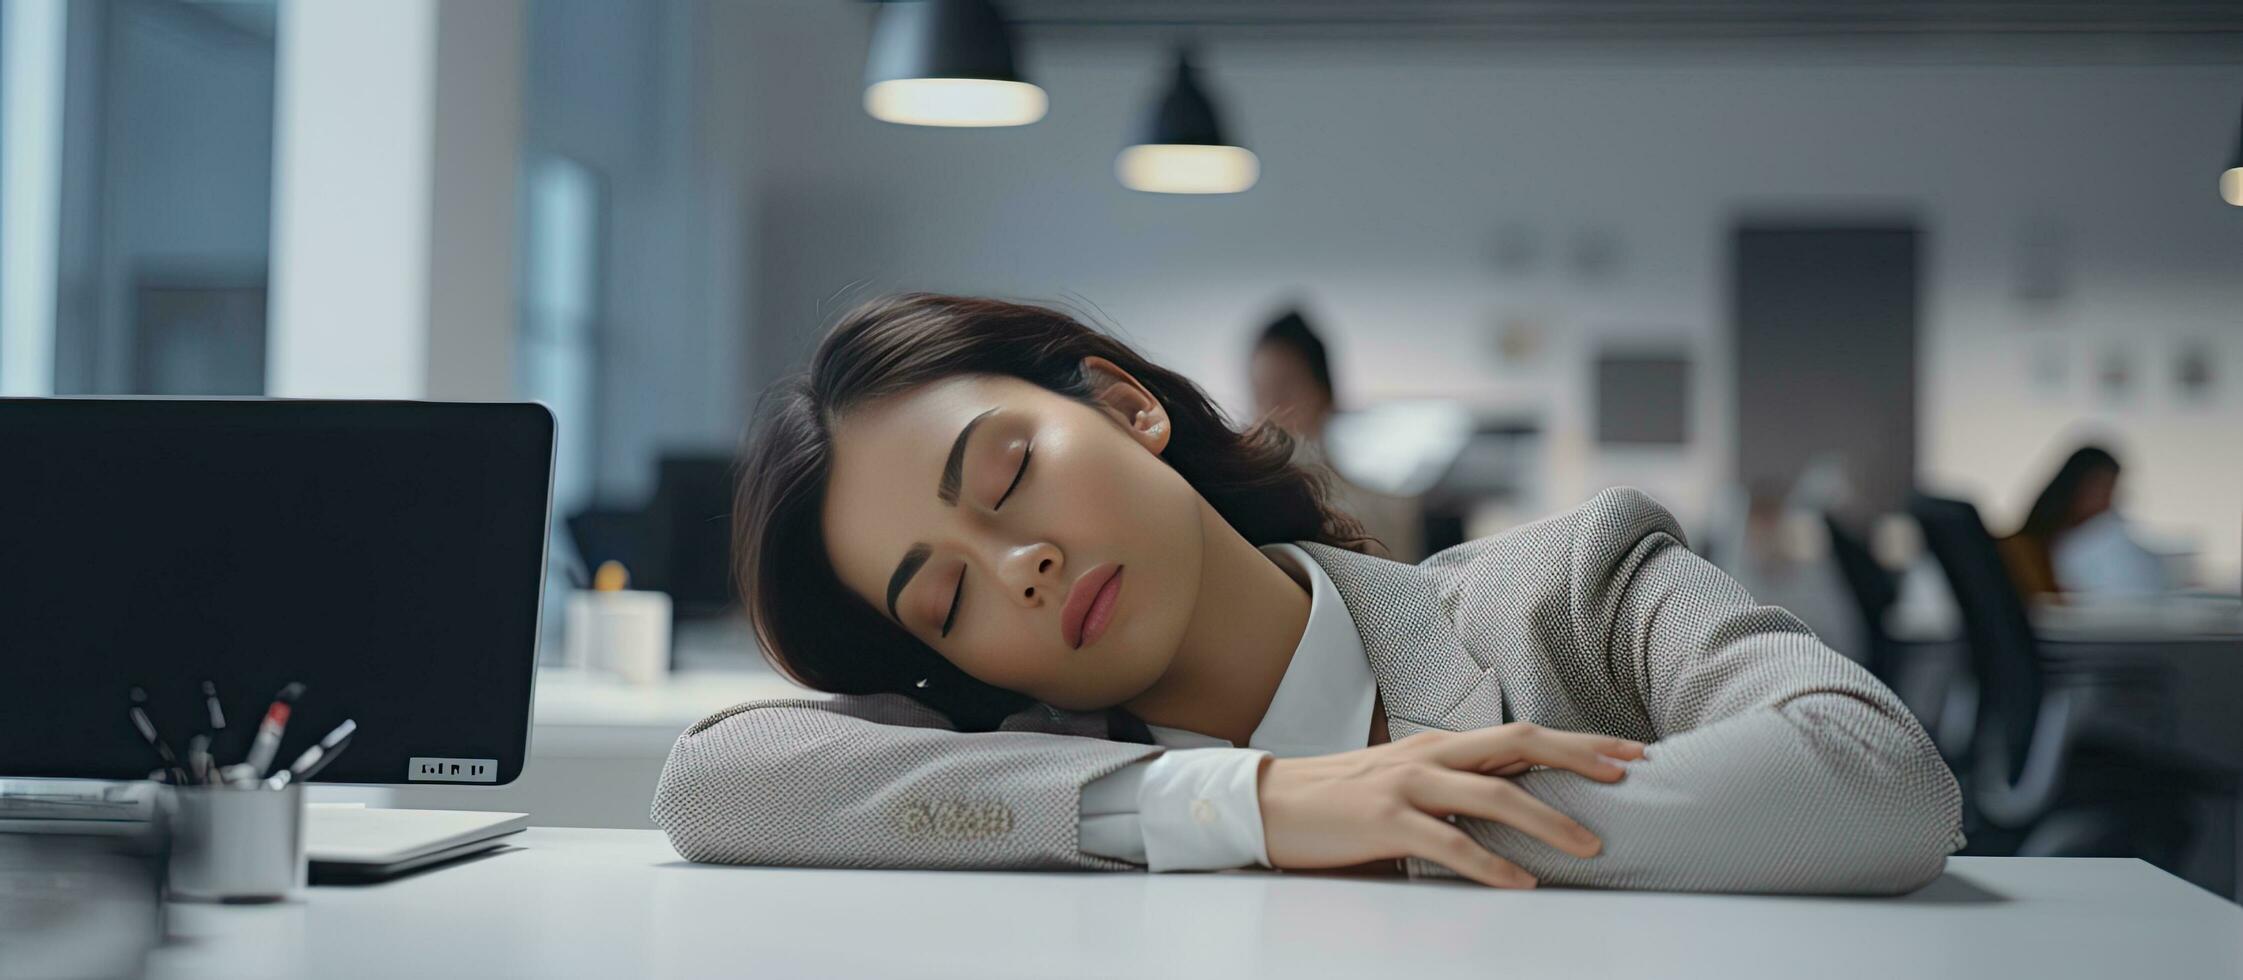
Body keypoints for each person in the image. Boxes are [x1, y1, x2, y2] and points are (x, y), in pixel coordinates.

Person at [653, 294, 1961, 894]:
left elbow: (1878, 779)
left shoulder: (1567, 591)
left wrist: (1414, 824)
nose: (1019, 566)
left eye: (1006, 476)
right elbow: (718, 782)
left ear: (1123, 406)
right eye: (944, 602)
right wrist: (1250, 807)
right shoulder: (1042, 772)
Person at [1249, 309, 1424, 562]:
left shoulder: (1386, 512)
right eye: (1259, 394)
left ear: (1324, 392)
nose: (1270, 411)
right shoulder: (1249, 507)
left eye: (1284, 390)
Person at [1998, 446, 2170, 600]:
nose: (2107, 503)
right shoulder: (2020, 549)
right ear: (2074, 487)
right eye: (2101, 490)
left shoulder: (2095, 546)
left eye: (2111, 492)